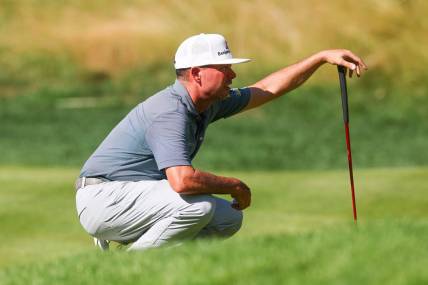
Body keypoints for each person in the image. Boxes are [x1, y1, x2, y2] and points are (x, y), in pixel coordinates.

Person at [75, 33, 367, 251]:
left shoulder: (208, 103)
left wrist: (319, 57)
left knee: (228, 219)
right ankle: (127, 271)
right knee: (197, 208)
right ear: (197, 74)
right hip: (103, 198)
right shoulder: (170, 111)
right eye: (224, 67)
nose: (233, 74)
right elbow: (182, 182)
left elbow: (267, 88)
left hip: (127, 196)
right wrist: (235, 185)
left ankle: (157, 266)